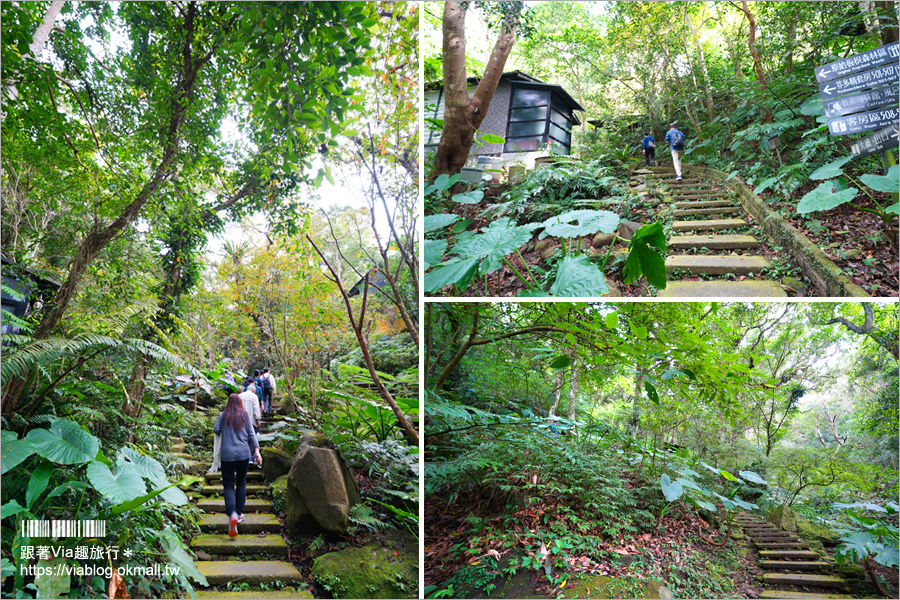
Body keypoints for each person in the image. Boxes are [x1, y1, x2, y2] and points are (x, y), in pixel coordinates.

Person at [213, 393, 262, 538]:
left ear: (228, 403)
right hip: (243, 454)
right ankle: (239, 514)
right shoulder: (245, 415)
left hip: (227, 455)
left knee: (228, 485)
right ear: (240, 403)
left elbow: (216, 430)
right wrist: (257, 452)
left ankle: (232, 513)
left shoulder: (223, 415)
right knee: (241, 482)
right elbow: (252, 435)